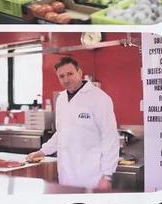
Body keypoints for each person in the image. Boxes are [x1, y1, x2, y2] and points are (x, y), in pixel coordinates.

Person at [26, 57, 118, 190]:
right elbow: (61, 133)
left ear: (79, 72)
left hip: (92, 176)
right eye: (61, 76)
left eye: (70, 74)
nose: (66, 79)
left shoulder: (99, 98)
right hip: (66, 174)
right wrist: (42, 151)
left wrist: (107, 175)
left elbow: (110, 137)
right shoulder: (61, 99)